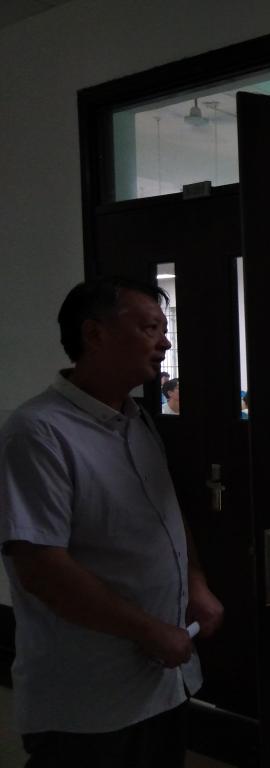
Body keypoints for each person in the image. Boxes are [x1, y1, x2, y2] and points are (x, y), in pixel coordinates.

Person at [0, 276, 224, 768]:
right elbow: (40, 566)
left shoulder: (135, 419)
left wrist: (196, 582)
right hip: (90, 696)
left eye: (164, 330)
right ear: (94, 334)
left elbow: (164, 511)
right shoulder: (38, 432)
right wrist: (149, 631)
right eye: (150, 328)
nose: (165, 343)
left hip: (163, 682)